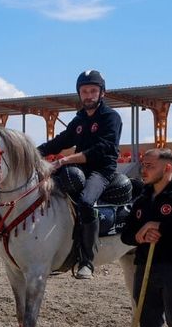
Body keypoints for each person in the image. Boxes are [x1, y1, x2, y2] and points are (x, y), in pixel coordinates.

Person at [38, 70, 121, 279]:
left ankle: (87, 261)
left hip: (102, 171)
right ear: (79, 94)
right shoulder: (80, 119)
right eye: (84, 91)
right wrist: (31, 152)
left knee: (85, 202)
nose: (89, 95)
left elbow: (102, 149)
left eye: (93, 91)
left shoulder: (111, 117)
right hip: (80, 169)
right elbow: (61, 140)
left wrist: (65, 160)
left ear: (102, 93)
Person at [119, 148, 172, 327]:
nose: (144, 169)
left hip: (171, 267)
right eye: (143, 164)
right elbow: (126, 234)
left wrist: (160, 226)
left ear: (167, 168)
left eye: (150, 165)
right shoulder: (142, 198)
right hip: (146, 268)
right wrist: (139, 235)